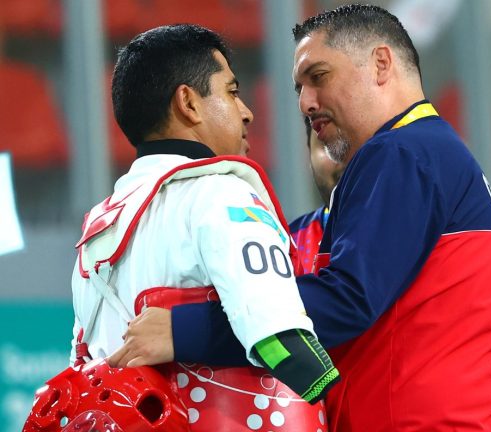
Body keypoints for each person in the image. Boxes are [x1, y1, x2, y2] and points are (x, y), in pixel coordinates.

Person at [114, 5, 491, 429]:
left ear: (381, 64)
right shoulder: (433, 154)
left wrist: (180, 330)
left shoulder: (403, 151)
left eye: (319, 77)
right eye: (298, 88)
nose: (306, 103)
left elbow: (347, 298)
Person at [69, 24, 337, 431]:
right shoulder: (221, 194)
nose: (246, 111)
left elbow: (83, 368)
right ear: (188, 103)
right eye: (231, 92)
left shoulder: (96, 229)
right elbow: (278, 332)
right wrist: (324, 383)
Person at [291, 118, 491, 431]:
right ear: (307, 155)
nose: (348, 160)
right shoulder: (284, 247)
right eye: (328, 146)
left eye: (358, 145)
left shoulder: (467, 241)